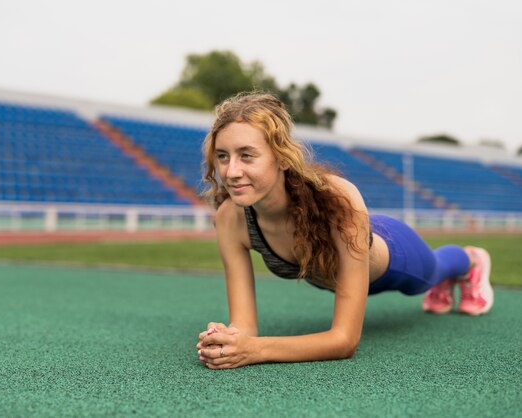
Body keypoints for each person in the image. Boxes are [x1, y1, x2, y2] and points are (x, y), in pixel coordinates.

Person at [195, 92, 493, 370]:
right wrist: (229, 340)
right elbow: (244, 328)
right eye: (223, 156)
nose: (231, 172)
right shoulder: (230, 219)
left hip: (396, 255)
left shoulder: (339, 199)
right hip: (341, 278)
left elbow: (345, 341)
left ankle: (470, 261)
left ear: (283, 158)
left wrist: (255, 350)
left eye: (247, 155)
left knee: (431, 274)